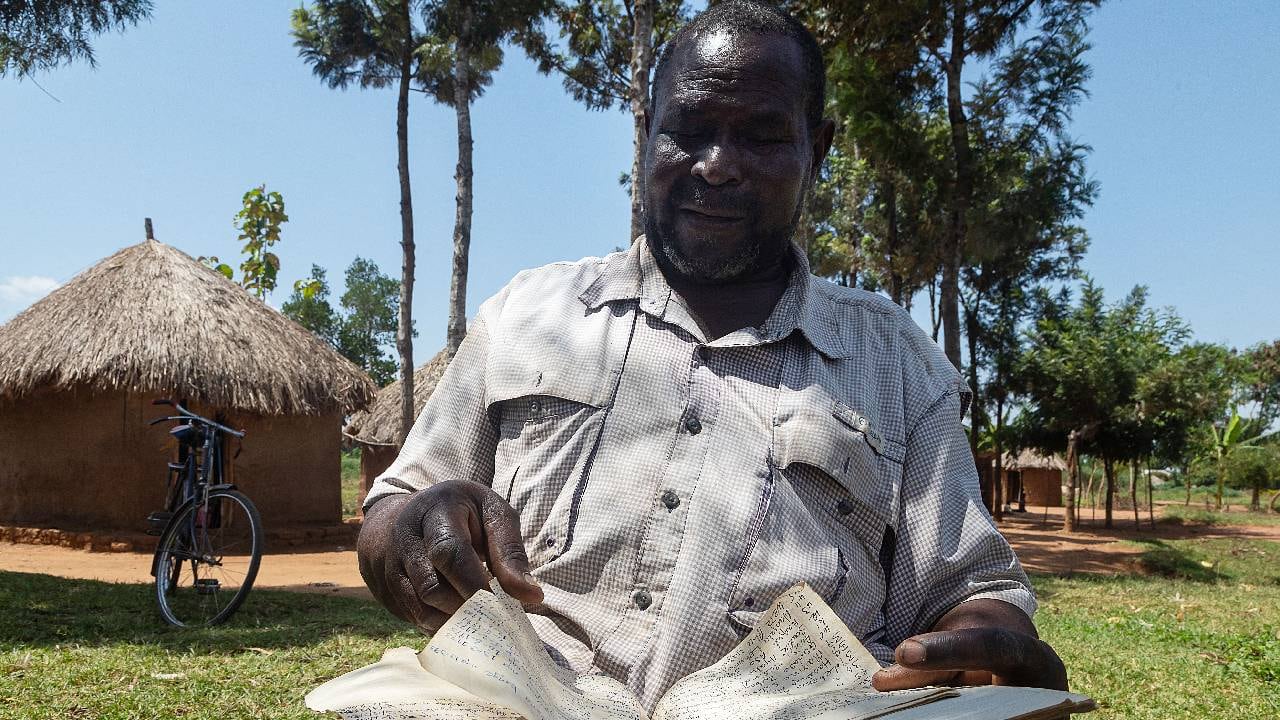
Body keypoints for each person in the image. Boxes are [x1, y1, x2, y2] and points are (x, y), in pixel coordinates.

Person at [357, 0, 1067, 711]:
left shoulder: (902, 368)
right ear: (647, 134)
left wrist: (985, 640)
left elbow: (969, 595)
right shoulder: (526, 314)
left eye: (760, 136)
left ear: (816, 150)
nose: (718, 165)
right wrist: (412, 531)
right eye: (689, 130)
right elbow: (391, 512)